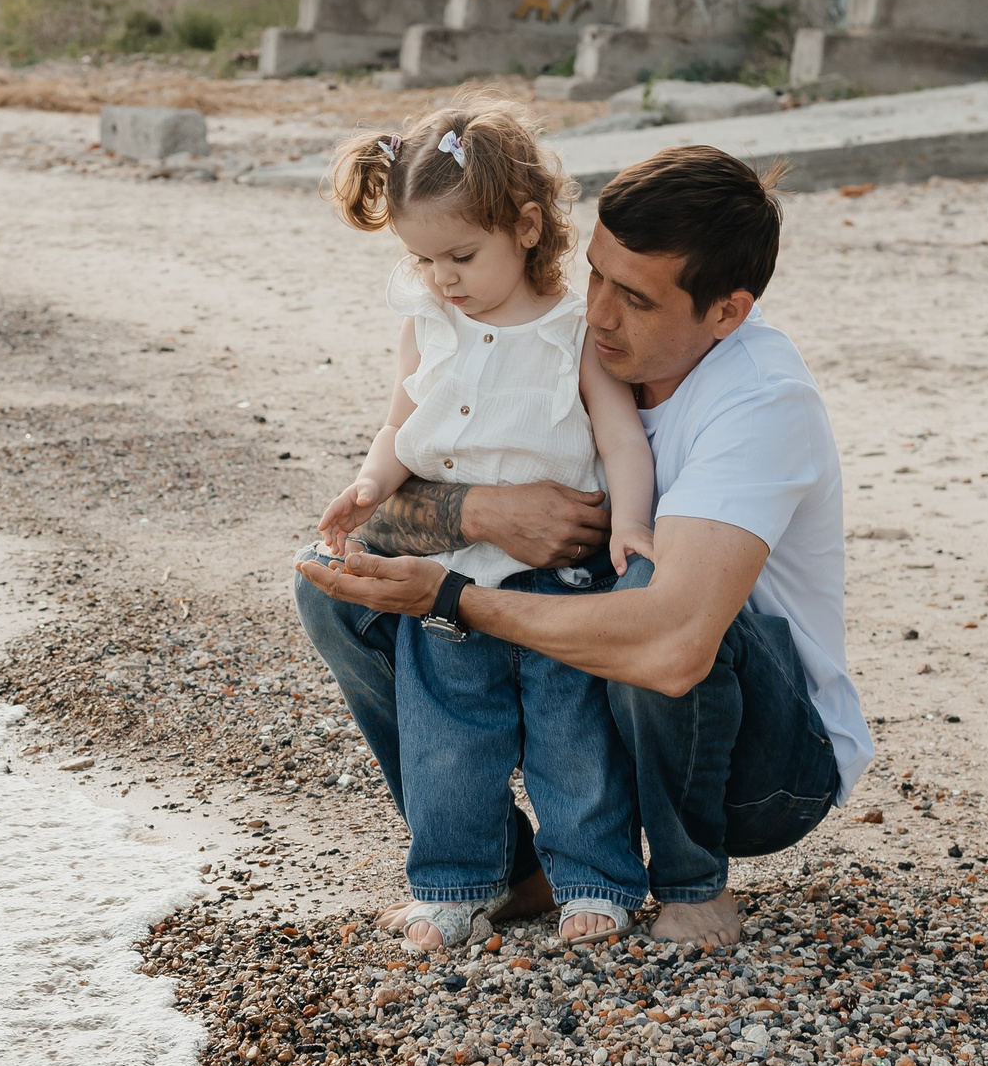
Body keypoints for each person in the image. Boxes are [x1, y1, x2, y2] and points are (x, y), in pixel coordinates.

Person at [296, 144, 869, 951]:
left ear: (726, 312)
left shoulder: (757, 400)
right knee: (330, 587)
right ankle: (503, 868)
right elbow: (387, 510)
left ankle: (689, 882)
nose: (597, 312)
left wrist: (455, 599)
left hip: (765, 765)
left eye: (633, 298)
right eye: (596, 274)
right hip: (618, 682)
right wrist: (488, 512)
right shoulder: (546, 342)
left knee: (648, 601)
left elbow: (673, 646)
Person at [312, 101, 660, 953]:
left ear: (527, 225)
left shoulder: (572, 332)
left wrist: (634, 528)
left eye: (461, 255)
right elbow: (401, 423)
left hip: (561, 586)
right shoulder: (429, 323)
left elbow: (619, 436)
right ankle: (458, 886)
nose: (444, 277)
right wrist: (368, 484)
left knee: (573, 742)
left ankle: (593, 881)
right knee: (447, 742)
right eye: (424, 258)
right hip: (453, 575)